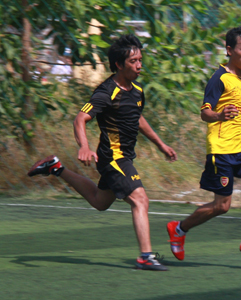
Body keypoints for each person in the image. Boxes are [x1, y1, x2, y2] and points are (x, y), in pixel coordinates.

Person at [28, 34, 177, 271]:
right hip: (113, 157)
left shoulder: (137, 91)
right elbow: (80, 118)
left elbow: (136, 118)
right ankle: (146, 256)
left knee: (100, 202)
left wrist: (160, 144)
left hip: (125, 157)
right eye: (133, 61)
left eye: (140, 60)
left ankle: (56, 167)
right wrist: (84, 146)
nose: (139, 65)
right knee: (140, 199)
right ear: (119, 64)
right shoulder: (106, 91)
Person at [167, 25, 241, 262]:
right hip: (221, 152)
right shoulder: (218, 78)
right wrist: (220, 116)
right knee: (222, 206)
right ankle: (179, 229)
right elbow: (205, 113)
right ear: (230, 50)